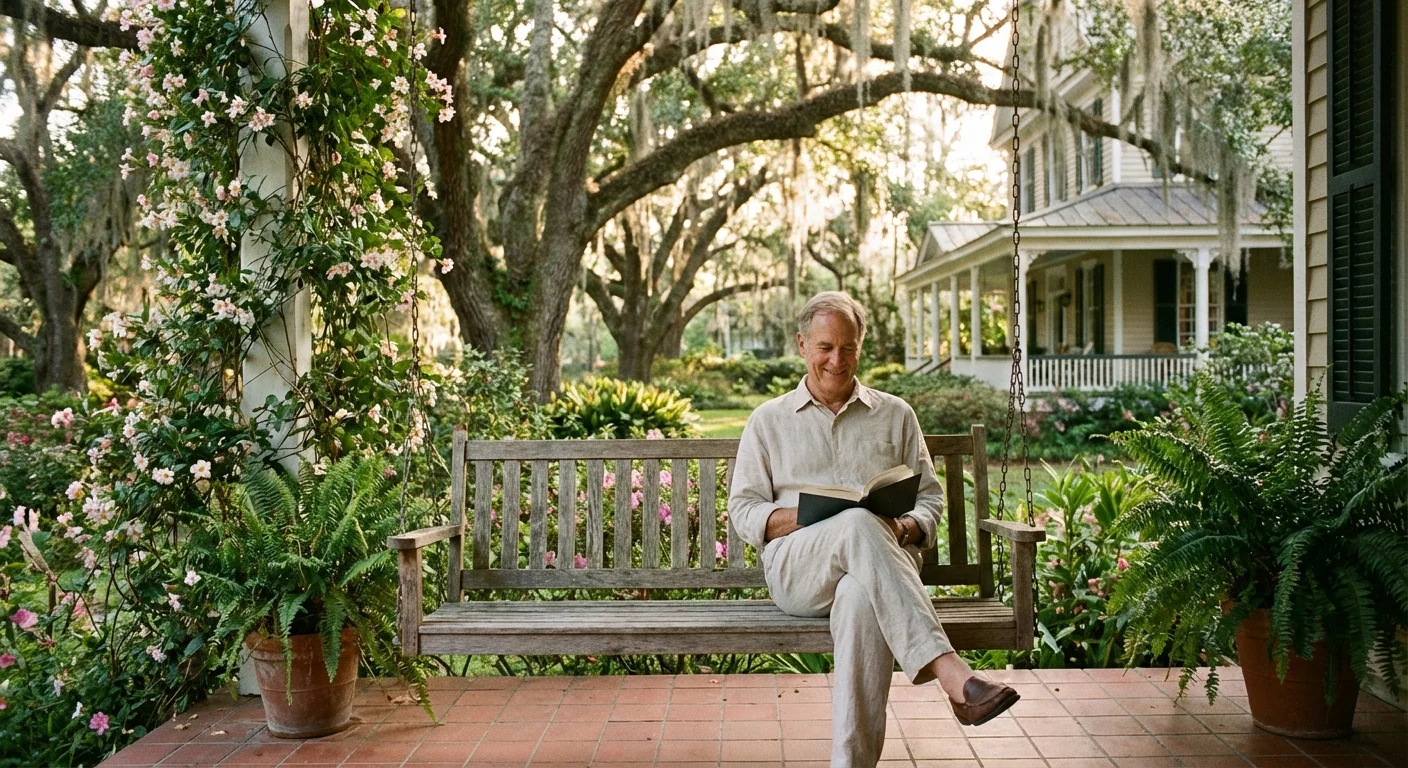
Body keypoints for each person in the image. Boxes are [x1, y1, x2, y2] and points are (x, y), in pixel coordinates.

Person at [728, 291, 1020, 768]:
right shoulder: (768, 421)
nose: (836, 360)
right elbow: (743, 512)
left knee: (861, 598)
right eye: (824, 347)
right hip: (799, 570)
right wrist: (816, 515)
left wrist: (904, 527)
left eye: (847, 347)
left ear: (860, 346)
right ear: (802, 345)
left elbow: (929, 499)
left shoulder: (896, 414)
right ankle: (951, 673)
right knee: (856, 521)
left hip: (879, 571)